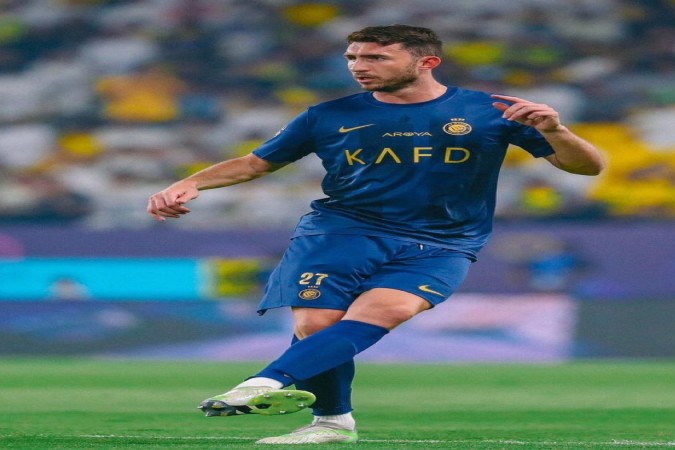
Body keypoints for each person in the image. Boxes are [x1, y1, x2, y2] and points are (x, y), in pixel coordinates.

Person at [147, 24, 604, 445]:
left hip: (443, 240)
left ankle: (264, 383)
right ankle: (332, 422)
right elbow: (255, 163)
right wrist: (190, 183)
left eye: (376, 58)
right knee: (316, 324)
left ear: (427, 62)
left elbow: (587, 167)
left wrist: (556, 130)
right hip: (342, 231)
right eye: (353, 57)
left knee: (392, 309)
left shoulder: (491, 111)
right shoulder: (328, 115)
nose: (359, 67)